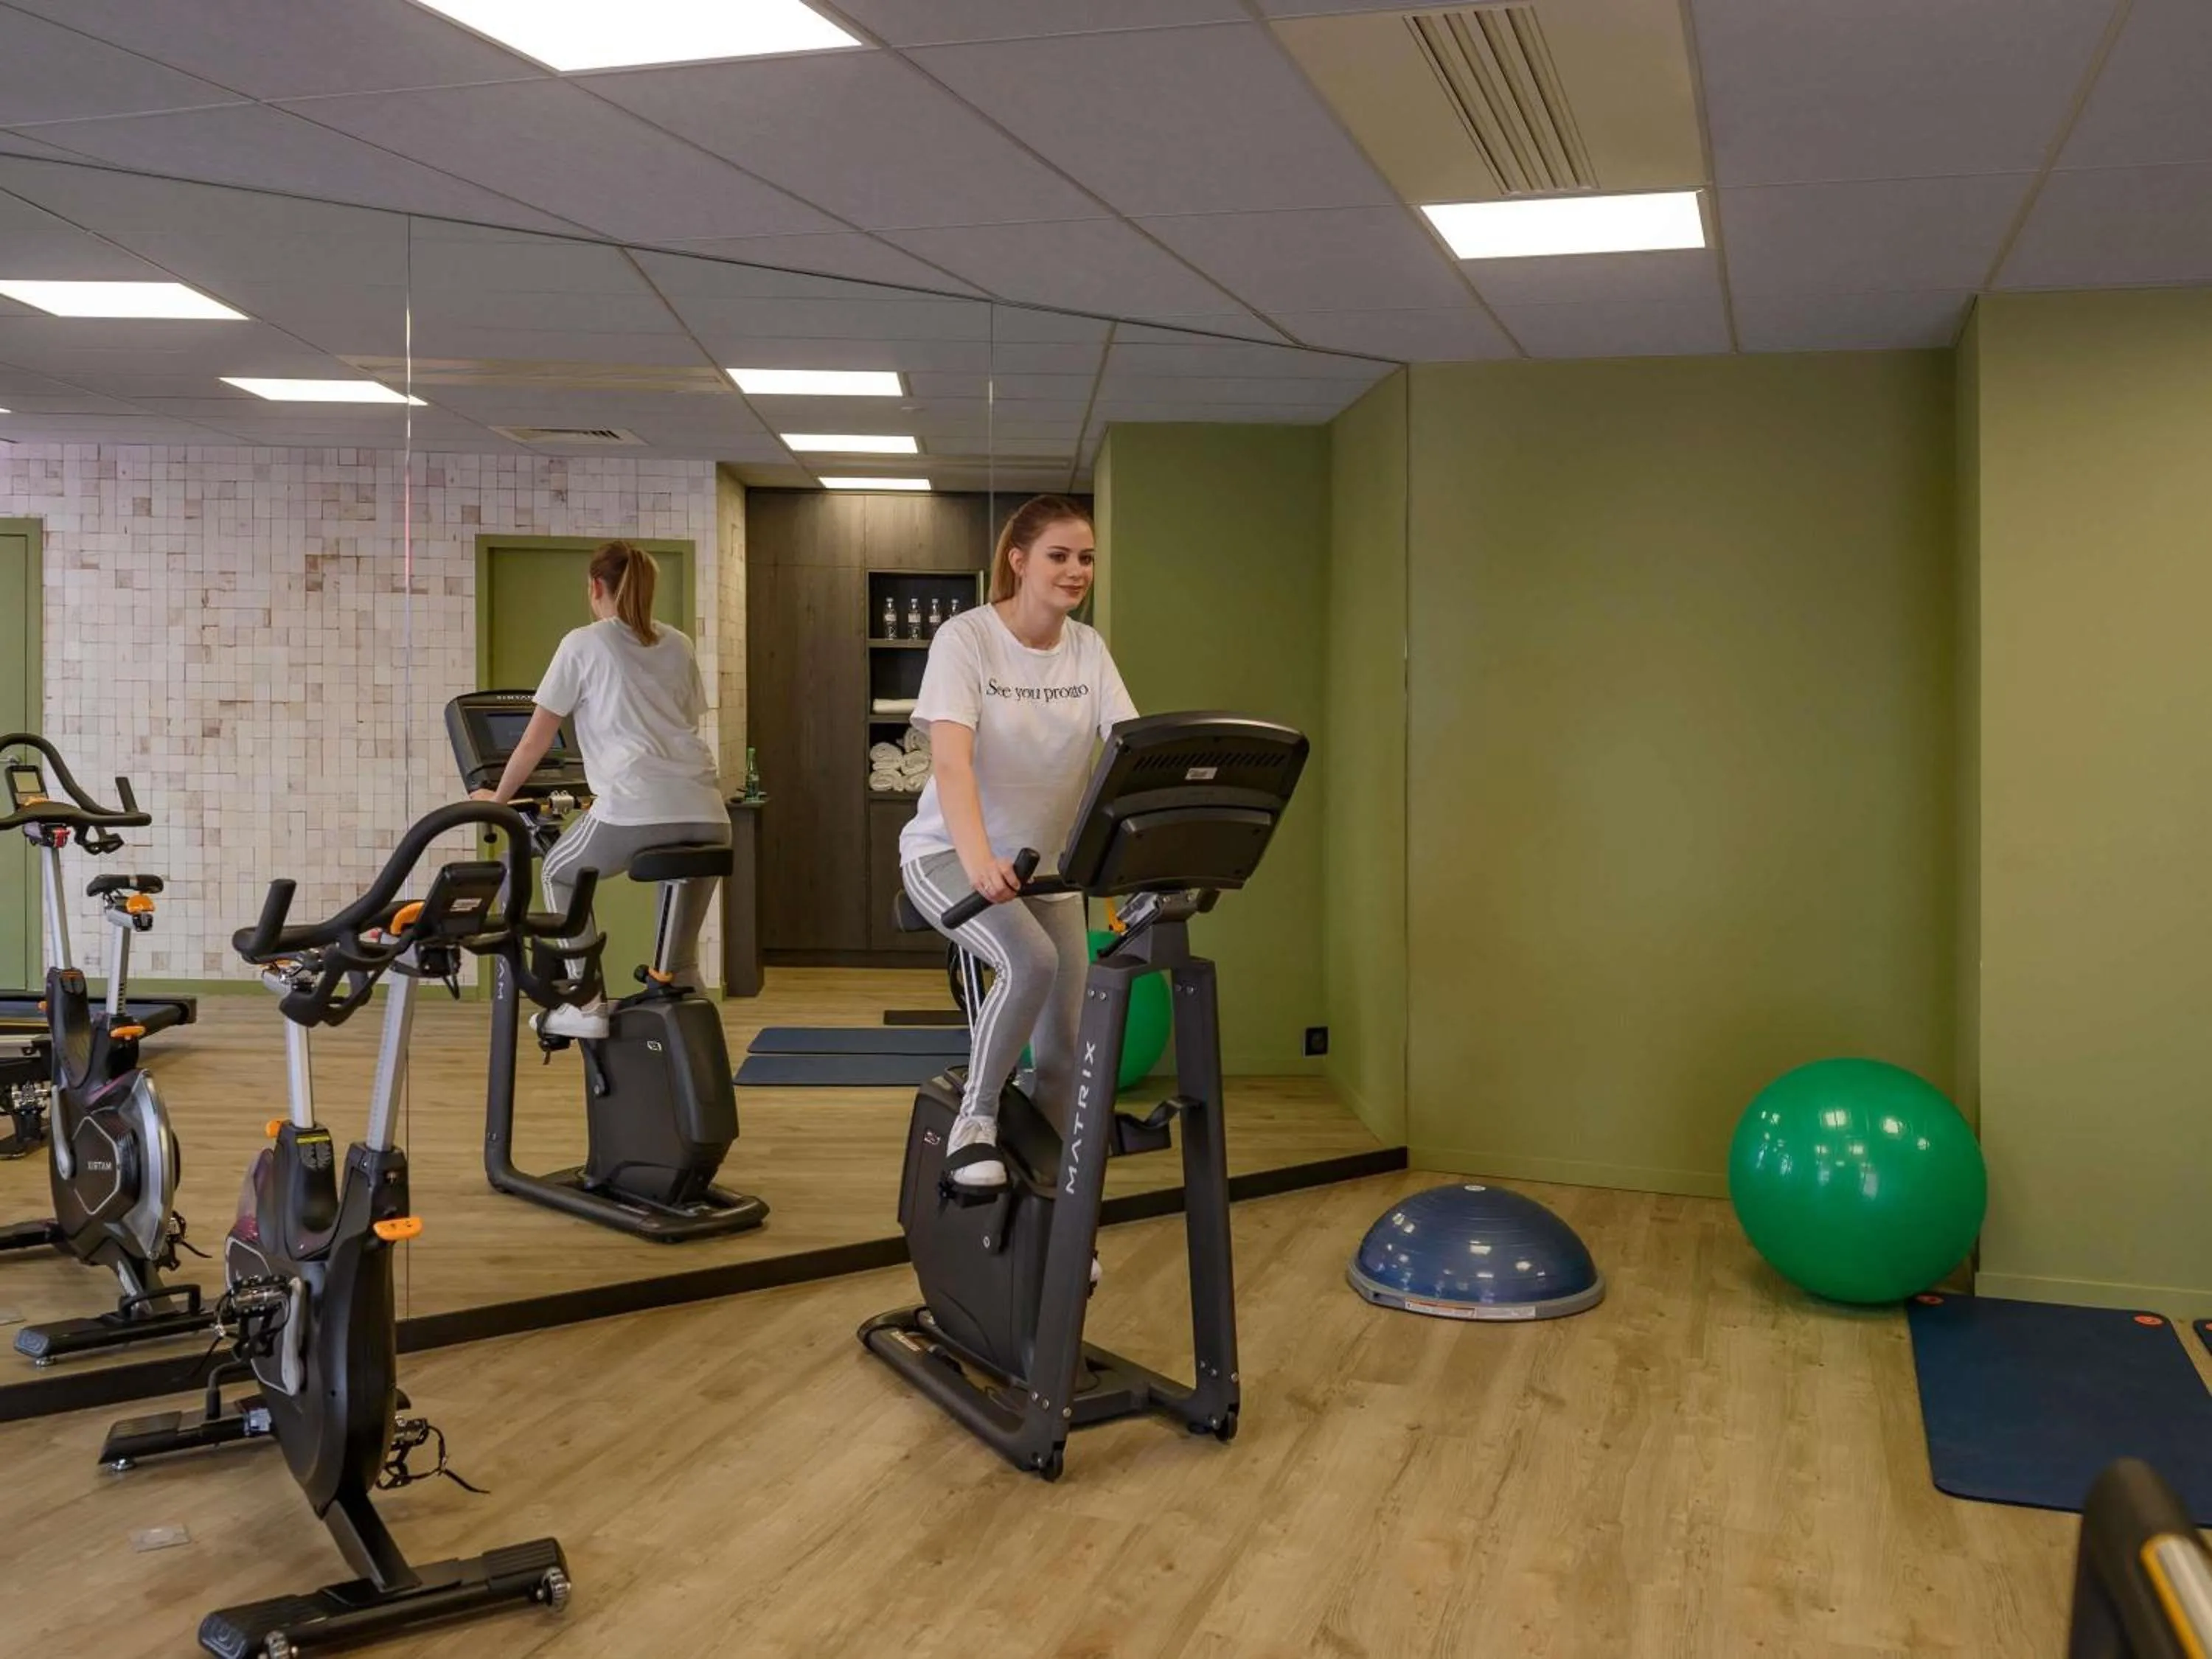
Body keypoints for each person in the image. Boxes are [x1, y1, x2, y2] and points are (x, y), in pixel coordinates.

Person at [901, 495, 1138, 1189]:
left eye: (1086, 558)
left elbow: (1126, 751)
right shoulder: (967, 639)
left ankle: (1050, 1210)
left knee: (1064, 1052)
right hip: (947, 854)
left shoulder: (1089, 650)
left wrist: (1135, 862)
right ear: (1019, 561)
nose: (1075, 571)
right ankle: (973, 1122)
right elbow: (950, 762)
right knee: (1029, 963)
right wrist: (980, 864)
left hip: (1049, 872)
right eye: (1059, 556)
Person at [471, 540, 726, 1040]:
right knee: (678, 966)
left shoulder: (582, 643)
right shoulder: (678, 643)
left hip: (634, 804)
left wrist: (497, 799)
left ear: (595, 587)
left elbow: (534, 739)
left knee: (561, 874)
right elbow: (682, 722)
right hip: (707, 811)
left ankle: (587, 1006)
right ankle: (683, 1007)